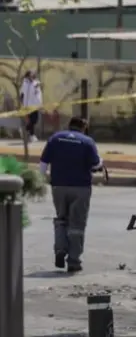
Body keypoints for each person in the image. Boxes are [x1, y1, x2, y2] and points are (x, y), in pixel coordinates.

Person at [39, 116, 101, 273]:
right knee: (77, 224)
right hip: (81, 188)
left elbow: (43, 162)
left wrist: (42, 178)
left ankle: (60, 248)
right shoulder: (87, 142)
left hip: (58, 186)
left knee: (61, 219)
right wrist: (101, 162)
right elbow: (95, 164)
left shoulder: (56, 138)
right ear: (84, 127)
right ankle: (73, 261)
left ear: (69, 125)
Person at [19, 70, 42, 142]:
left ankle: (26, 131)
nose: (32, 75)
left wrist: (40, 104)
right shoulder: (25, 83)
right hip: (28, 105)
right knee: (32, 120)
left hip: (35, 105)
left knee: (34, 120)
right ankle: (31, 135)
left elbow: (39, 94)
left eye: (33, 74)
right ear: (28, 75)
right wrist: (22, 104)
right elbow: (22, 94)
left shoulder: (36, 83)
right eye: (31, 74)